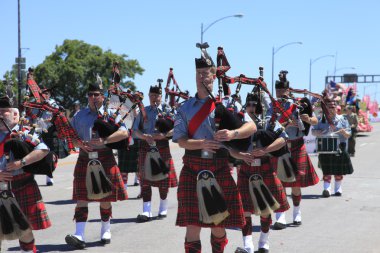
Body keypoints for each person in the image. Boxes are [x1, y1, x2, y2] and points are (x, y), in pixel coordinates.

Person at [173, 43, 256, 253]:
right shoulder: (185, 108)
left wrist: (233, 134)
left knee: (218, 225)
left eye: (206, 73)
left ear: (214, 75)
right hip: (192, 167)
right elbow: (180, 140)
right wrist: (201, 143)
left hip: (218, 166)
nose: (202, 76)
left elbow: (252, 126)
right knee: (192, 226)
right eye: (199, 73)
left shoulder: (227, 103)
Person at [65, 81, 128, 249]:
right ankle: (79, 234)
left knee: (105, 198)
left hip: (105, 157)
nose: (93, 98)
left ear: (102, 97)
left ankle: (105, 229)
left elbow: (124, 132)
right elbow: (70, 137)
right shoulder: (79, 115)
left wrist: (105, 140)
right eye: (90, 95)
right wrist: (79, 143)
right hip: (85, 158)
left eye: (96, 95)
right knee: (81, 198)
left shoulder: (111, 113)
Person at [232, 92, 289, 253]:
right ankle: (248, 246)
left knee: (265, 209)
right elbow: (229, 147)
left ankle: (263, 243)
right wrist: (240, 155)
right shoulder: (239, 122)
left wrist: (265, 150)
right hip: (245, 169)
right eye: (248, 104)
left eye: (253, 104)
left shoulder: (268, 121)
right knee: (245, 210)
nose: (250, 107)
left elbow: (283, 138)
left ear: (259, 106)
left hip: (265, 168)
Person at [0, 96, 51, 253]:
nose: (0, 115)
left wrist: (20, 163)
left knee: (25, 229)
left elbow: (42, 150)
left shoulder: (24, 132)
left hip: (21, 185)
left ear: (15, 114)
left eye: (4, 112)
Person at [270, 71, 319, 230]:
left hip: (297, 146)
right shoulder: (272, 106)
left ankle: (297, 213)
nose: (280, 93)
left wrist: (306, 119)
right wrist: (284, 125)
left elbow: (315, 120)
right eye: (278, 91)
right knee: (280, 183)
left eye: (283, 91)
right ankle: (280, 216)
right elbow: (267, 125)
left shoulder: (298, 104)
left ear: (288, 90)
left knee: (295, 184)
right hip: (280, 147)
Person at [132, 83, 178, 222]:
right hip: (145, 147)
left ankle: (163, 207)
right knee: (145, 181)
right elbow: (134, 130)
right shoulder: (143, 111)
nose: (154, 98)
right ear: (148, 96)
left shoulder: (169, 111)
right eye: (151, 95)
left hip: (162, 147)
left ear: (160, 96)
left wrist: (164, 135)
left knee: (163, 180)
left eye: (157, 95)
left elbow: (178, 129)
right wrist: (144, 136)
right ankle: (147, 210)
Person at [312, 96, 353, 197]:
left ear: (336, 108)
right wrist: (317, 132)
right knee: (327, 170)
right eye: (329, 107)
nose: (331, 109)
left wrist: (344, 132)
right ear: (325, 108)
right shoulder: (320, 119)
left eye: (333, 107)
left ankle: (338, 189)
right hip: (325, 147)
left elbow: (349, 134)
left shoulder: (342, 119)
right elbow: (313, 132)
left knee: (338, 171)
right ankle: (327, 189)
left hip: (340, 147)